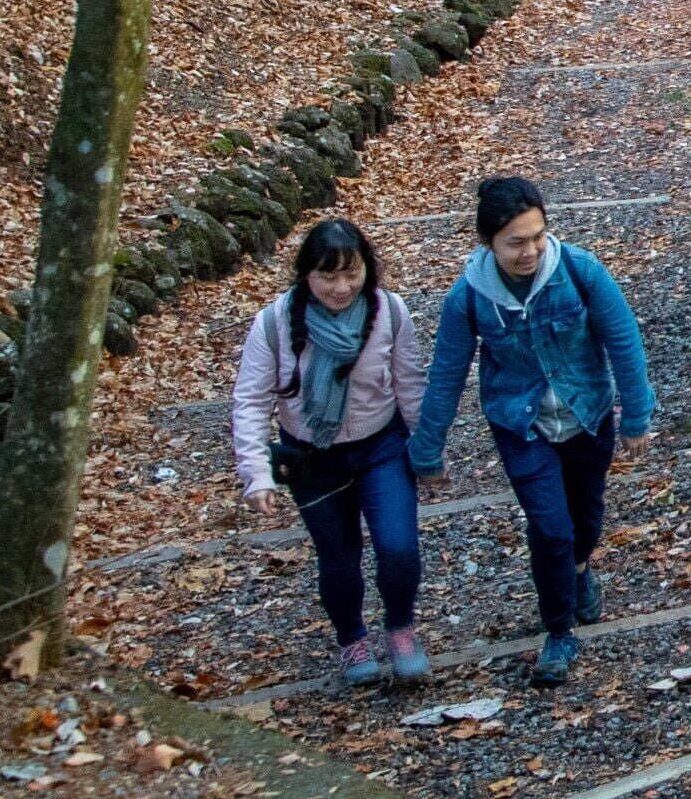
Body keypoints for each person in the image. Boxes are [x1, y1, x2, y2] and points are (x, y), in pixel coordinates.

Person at [410, 177, 655, 687]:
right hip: (521, 424)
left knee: (584, 520)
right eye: (515, 242)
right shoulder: (469, 298)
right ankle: (558, 632)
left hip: (587, 414)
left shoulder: (580, 271)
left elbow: (624, 340)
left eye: (537, 236)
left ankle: (582, 570)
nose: (530, 251)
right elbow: (447, 372)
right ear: (488, 243)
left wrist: (636, 415)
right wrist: (427, 448)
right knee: (550, 528)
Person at [232, 219, 430, 688]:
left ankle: (401, 626)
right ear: (306, 275)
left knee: (398, 547)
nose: (342, 288)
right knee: (338, 557)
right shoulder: (275, 322)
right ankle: (352, 639)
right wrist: (256, 473)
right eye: (328, 277)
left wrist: (427, 449)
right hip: (312, 458)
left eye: (352, 274)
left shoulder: (389, 312)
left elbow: (410, 383)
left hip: (381, 446)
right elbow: (251, 399)